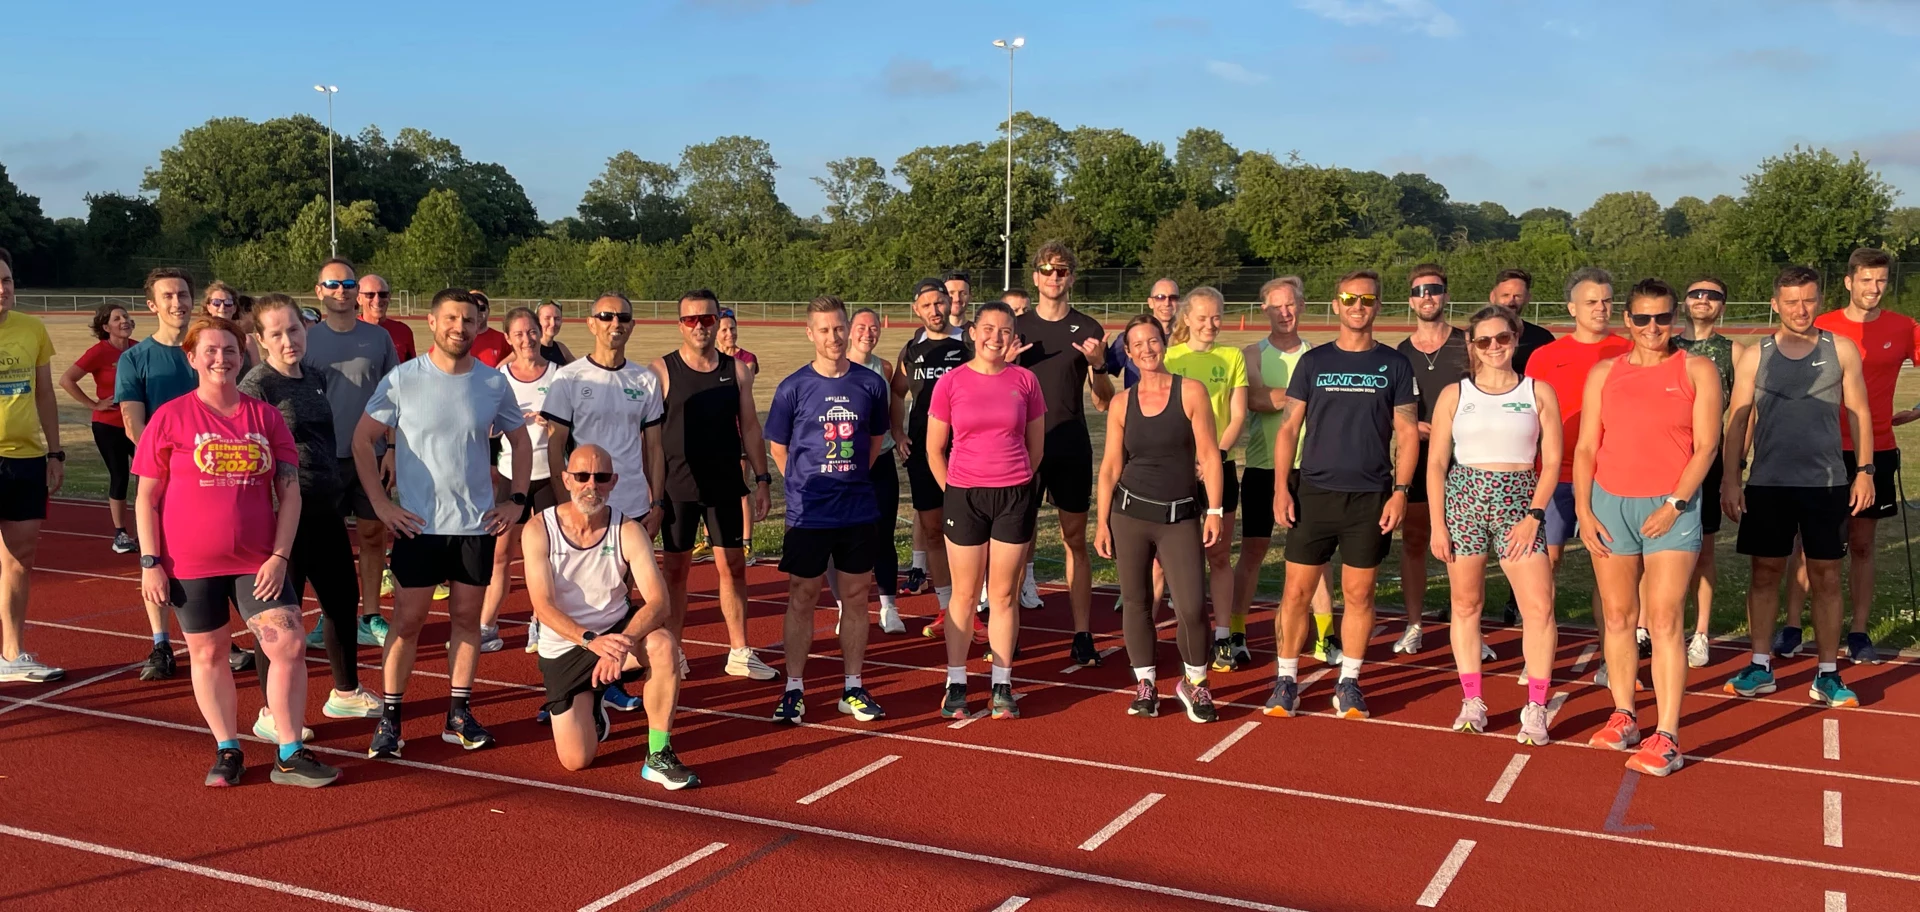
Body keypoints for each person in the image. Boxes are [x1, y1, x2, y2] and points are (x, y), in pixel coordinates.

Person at [133, 315, 337, 787]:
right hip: (189, 563)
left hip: (257, 559)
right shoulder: (170, 417)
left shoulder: (263, 417)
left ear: (242, 354)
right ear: (192, 357)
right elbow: (146, 496)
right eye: (210, 349)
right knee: (208, 655)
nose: (221, 358)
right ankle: (228, 748)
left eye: (230, 349)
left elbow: (290, 491)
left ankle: (289, 750)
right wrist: (150, 563)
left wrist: (279, 556)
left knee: (286, 643)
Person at [353, 289, 532, 758]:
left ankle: (458, 714)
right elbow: (362, 440)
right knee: (407, 623)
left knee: (467, 622)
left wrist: (517, 498)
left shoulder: (492, 383)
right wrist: (381, 505)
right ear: (433, 323)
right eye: (451, 318)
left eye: (469, 320)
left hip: (474, 527)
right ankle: (391, 720)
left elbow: (522, 440)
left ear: (479, 326)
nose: (460, 327)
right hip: (418, 527)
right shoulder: (403, 379)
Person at [1572, 280, 1723, 776]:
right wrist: (1584, 508)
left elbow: (1706, 447)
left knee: (1663, 620)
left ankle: (1668, 735)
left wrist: (1676, 502)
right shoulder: (1604, 373)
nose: (1653, 328)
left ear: (1674, 319)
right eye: (1643, 319)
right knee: (1617, 617)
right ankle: (1624, 715)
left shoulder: (1696, 369)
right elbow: (1587, 448)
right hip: (1609, 505)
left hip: (1670, 510)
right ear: (1628, 322)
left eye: (1662, 318)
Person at [1265, 270, 1418, 720]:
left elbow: (1407, 434)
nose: (1357, 306)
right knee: (1295, 593)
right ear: (1336, 305)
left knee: (1359, 595)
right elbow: (1289, 427)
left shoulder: (1395, 364)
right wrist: (1281, 487)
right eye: (1349, 298)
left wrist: (1401, 493)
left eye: (1367, 300)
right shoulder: (1313, 363)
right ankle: (1286, 679)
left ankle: (1348, 681)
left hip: (1370, 497)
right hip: (1313, 493)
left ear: (1378, 307)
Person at [1722, 266, 1874, 712]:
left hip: (1826, 484)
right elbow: (1738, 421)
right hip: (1768, 484)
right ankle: (1759, 664)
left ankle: (1827, 674)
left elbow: (1860, 413)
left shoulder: (1841, 349)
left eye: (1808, 300)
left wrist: (1864, 470)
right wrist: (1732, 478)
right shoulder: (1755, 355)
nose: (1800, 309)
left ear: (1819, 300)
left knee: (1826, 576)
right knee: (1765, 573)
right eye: (1791, 301)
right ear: (1775, 304)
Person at [239, 295, 382, 722]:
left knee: (341, 601)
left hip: (324, 507)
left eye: (295, 330)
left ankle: (346, 692)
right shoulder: (257, 387)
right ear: (261, 340)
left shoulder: (315, 377)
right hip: (280, 518)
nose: (288, 340)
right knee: (280, 618)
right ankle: (271, 712)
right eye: (277, 334)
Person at [1426, 305, 1563, 743]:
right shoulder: (1455, 394)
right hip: (1463, 501)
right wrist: (1437, 524)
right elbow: (1436, 464)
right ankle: (1472, 700)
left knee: (1538, 608)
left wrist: (1534, 515)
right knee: (1466, 606)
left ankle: (1536, 708)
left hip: (1519, 504)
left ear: (1515, 337)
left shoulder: (1538, 392)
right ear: (1472, 346)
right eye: (1484, 341)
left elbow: (1553, 460)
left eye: (1502, 338)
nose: (1494, 348)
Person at [525, 444, 697, 788]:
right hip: (566, 647)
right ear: (566, 479)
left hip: (617, 633)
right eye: (582, 476)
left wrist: (621, 644)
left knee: (664, 645)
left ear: (614, 481)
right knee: (577, 761)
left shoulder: (628, 530)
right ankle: (594, 701)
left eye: (601, 477)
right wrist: (592, 642)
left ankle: (658, 755)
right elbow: (543, 606)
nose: (592, 485)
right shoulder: (538, 529)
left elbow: (659, 602)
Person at [765, 297, 892, 724]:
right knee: (802, 598)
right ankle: (794, 688)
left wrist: (850, 476)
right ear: (810, 333)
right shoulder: (792, 387)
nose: (833, 337)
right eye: (824, 330)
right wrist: (799, 485)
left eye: (839, 328)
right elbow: (778, 448)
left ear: (848, 329)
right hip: (809, 514)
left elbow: (874, 441)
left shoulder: (871, 383)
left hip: (857, 509)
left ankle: (852, 687)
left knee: (856, 598)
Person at [1095, 313, 1225, 722]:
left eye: (1153, 341)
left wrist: (1215, 510)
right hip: (1129, 515)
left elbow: (1209, 455)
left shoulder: (1191, 392)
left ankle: (1194, 683)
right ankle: (1145, 682)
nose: (1147, 350)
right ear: (1129, 354)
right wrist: (1101, 521)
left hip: (1180, 516)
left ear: (1163, 344)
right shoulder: (1121, 403)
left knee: (1190, 608)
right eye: (1138, 345)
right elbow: (1111, 467)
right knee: (1136, 603)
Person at [1786, 248, 1912, 665]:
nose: (1873, 288)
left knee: (1861, 544)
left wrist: (1916, 411)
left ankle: (1858, 633)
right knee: (1807, 543)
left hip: (1876, 449)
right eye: (1866, 280)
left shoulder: (1904, 327)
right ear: (1848, 282)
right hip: (1820, 447)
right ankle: (1790, 627)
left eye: (1880, 281)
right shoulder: (1821, 325)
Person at [543, 291, 671, 698]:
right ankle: (578, 675)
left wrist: (657, 503)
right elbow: (554, 443)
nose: (616, 323)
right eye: (607, 316)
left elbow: (654, 447)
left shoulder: (644, 380)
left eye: (624, 317)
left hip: (631, 505)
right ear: (591, 322)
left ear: (632, 325)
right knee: (586, 591)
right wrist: (560, 499)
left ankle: (615, 671)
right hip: (584, 502)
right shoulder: (570, 378)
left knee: (631, 596)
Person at [122, 267, 246, 680]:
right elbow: (132, 421)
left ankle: (221, 638)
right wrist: (166, 463)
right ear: (152, 305)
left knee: (219, 552)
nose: (177, 303)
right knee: (157, 555)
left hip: (218, 472)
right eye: (168, 296)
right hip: (163, 473)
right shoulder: (135, 358)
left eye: (183, 295)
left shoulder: (210, 348)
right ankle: (161, 643)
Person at [650, 289, 776, 682]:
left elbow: (751, 428)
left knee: (734, 567)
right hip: (677, 487)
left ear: (717, 321)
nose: (700, 326)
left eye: (707, 319)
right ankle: (674, 651)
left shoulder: (737, 371)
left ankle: (739, 650)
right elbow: (649, 438)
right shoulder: (661, 370)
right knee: (675, 571)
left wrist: (762, 478)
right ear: (680, 325)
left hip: (724, 483)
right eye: (692, 320)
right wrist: (651, 493)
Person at [928, 302, 1045, 720]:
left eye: (1005, 330)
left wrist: (1014, 482)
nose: (996, 337)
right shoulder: (951, 382)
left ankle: (1002, 683)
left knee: (1002, 595)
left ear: (1014, 336)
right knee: (963, 594)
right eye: (989, 329)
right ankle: (956, 682)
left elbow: (1036, 448)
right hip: (965, 497)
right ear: (974, 333)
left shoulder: (1026, 381)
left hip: (1013, 496)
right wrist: (956, 489)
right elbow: (933, 448)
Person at [1016, 242, 1114, 666]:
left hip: (1069, 443)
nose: (1054, 276)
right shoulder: (1014, 327)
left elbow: (1105, 400)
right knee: (1018, 542)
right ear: (1035, 277)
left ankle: (1082, 633)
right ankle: (1010, 629)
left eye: (1062, 270)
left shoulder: (1089, 328)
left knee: (1075, 540)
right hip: (1020, 445)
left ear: (1071, 277)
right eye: (1046, 269)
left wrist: (1098, 365)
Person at [1234, 277, 1338, 670]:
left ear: (1303, 306)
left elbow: (1287, 400)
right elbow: (1257, 400)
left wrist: (1282, 397)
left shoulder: (1319, 355)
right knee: (1254, 551)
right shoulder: (1252, 354)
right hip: (1263, 467)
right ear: (1265, 309)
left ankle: (1325, 635)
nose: (1284, 313)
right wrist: (1302, 396)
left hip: (1312, 470)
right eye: (1276, 306)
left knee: (1317, 559)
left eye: (1291, 305)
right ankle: (1237, 632)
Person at [307, 259, 404, 647]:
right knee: (326, 543)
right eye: (332, 284)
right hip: (322, 457)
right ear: (319, 291)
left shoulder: (377, 339)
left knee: (372, 534)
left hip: (372, 453)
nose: (341, 290)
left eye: (348, 283)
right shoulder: (307, 338)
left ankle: (370, 616)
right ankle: (329, 614)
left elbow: (395, 396)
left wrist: (393, 448)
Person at [1522, 269, 1631, 603]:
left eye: (1607, 301)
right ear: (1572, 308)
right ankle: (1541, 643)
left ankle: (1613, 650)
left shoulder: (1630, 351)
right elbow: (1528, 417)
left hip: (1609, 480)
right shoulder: (1545, 356)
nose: (1601, 308)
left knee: (1610, 566)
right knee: (1547, 562)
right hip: (1553, 477)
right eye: (1591, 302)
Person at [1160, 288, 1248, 673]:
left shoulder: (1232, 357)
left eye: (1216, 317)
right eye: (1202, 318)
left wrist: (1215, 456)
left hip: (1218, 468)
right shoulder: (1170, 357)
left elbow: (1238, 415)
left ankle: (1223, 636)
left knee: (1218, 555)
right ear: (1186, 319)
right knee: (1169, 560)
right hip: (1176, 469)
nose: (1210, 324)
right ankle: (1175, 631)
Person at [1391, 265, 1472, 657]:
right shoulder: (1399, 354)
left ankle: (1469, 627)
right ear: (1411, 300)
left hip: (1468, 460)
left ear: (1445, 295)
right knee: (1416, 541)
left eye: (1435, 289)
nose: (1427, 296)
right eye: (1420, 290)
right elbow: (1394, 412)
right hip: (1419, 459)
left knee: (1468, 547)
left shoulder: (1468, 343)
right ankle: (1414, 624)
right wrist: (1419, 429)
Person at [0, 249, 65, 685]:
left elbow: (44, 393)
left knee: (19, 559)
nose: (2, 289)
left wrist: (55, 452)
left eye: (6, 280)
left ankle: (11, 654)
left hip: (23, 459)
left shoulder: (32, 328)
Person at [1672, 277, 1740, 668]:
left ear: (1722, 306)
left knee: (1703, 550)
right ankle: (1648, 625)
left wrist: (1733, 473)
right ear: (1684, 301)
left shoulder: (1732, 352)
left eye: (1713, 295)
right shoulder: (1665, 344)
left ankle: (1700, 633)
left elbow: (1742, 416)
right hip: (1665, 457)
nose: (1703, 300)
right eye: (1696, 293)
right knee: (1655, 548)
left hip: (1708, 459)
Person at [893, 280, 968, 632]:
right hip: (924, 453)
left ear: (948, 303)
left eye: (940, 303)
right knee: (934, 530)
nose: (935, 311)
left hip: (967, 451)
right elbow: (897, 393)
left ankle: (975, 606)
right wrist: (898, 432)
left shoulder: (967, 342)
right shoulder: (911, 350)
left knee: (971, 532)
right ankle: (946, 607)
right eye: (927, 306)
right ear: (916, 310)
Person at [485, 307, 560, 655]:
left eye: (531, 331)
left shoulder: (559, 375)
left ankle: (541, 622)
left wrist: (553, 423)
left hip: (548, 476)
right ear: (507, 338)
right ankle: (486, 626)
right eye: (519, 334)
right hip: (511, 477)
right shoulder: (498, 377)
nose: (527, 339)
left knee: (544, 556)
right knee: (501, 554)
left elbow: (572, 424)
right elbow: (485, 428)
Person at [839, 307, 906, 633]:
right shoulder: (837, 366)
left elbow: (895, 405)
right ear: (850, 331)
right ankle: (843, 607)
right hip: (844, 463)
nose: (868, 332)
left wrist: (900, 432)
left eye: (874, 327)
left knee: (883, 535)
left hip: (881, 461)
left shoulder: (886, 367)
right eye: (862, 327)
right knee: (842, 536)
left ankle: (888, 606)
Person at [61, 302, 137, 553]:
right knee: (120, 476)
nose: (124, 321)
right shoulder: (99, 352)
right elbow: (66, 379)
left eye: (125, 316)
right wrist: (94, 404)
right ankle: (120, 534)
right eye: (117, 319)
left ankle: (156, 527)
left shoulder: (140, 349)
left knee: (151, 475)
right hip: (108, 425)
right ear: (106, 327)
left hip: (137, 424)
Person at [1100, 278, 1181, 393]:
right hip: (1138, 408)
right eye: (1160, 297)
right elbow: (1103, 370)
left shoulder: (1187, 339)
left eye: (1173, 298)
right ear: (1150, 302)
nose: (1167, 303)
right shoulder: (1128, 339)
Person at [1492, 268, 1556, 375]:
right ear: (1493, 297)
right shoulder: (1474, 337)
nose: (1511, 301)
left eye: (1517, 296)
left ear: (1527, 298)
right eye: (1505, 295)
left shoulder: (1542, 339)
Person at [357, 275, 415, 362]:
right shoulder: (349, 331)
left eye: (382, 294)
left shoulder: (403, 331)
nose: (377, 300)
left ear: (389, 297)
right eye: (370, 295)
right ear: (359, 299)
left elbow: (411, 370)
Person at [202, 281, 258, 369]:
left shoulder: (247, 341)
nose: (222, 307)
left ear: (234, 308)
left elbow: (258, 375)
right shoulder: (200, 339)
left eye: (228, 302)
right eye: (216, 302)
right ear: (209, 307)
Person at [467, 290, 510, 368]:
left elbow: (519, 353)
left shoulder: (501, 338)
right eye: (474, 308)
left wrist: (501, 365)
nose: (478, 312)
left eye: (482, 308)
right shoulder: (459, 337)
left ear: (488, 311)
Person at [536, 300, 575, 365]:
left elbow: (577, 368)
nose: (553, 323)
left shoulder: (561, 348)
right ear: (537, 320)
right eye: (547, 318)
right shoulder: (530, 349)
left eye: (557, 319)